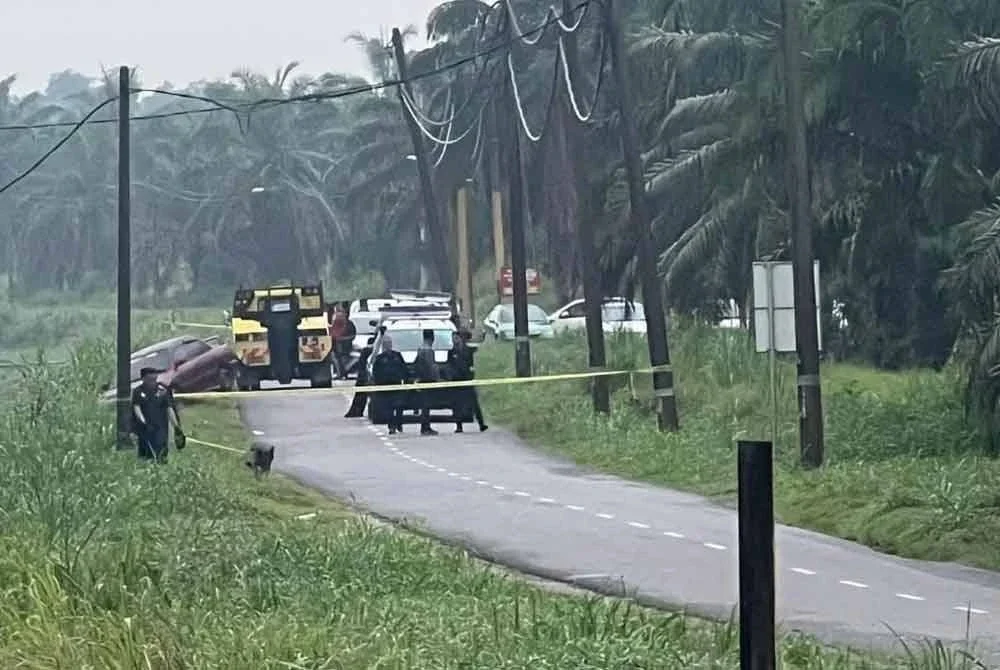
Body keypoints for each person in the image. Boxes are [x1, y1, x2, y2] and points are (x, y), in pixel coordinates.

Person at [131, 367, 185, 464]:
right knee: (146, 455)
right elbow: (137, 407)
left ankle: (161, 465)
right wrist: (143, 422)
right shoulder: (138, 391)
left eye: (154, 378)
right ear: (143, 379)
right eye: (150, 379)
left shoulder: (162, 391)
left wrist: (176, 427)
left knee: (161, 453)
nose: (153, 380)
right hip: (145, 428)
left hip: (160, 428)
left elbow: (169, 409)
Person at [447, 329, 488, 433]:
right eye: (453, 339)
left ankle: (481, 424)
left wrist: (471, 376)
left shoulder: (468, 350)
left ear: (461, 339)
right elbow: (449, 366)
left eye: (456, 338)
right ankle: (459, 426)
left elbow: (471, 365)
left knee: (474, 403)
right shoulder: (451, 352)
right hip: (456, 381)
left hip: (467, 380)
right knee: (456, 405)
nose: (455, 340)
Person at [370, 334, 408, 434]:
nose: (388, 345)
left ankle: (399, 423)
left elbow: (404, 369)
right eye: (386, 344)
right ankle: (391, 426)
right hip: (385, 386)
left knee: (399, 406)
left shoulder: (397, 356)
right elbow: (375, 372)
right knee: (389, 408)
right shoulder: (380, 358)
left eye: (389, 343)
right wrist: (378, 385)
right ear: (383, 346)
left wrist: (406, 381)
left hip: (397, 385)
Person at [413, 329, 440, 436]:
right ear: (432, 338)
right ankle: (425, 427)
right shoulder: (429, 350)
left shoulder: (420, 349)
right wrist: (437, 378)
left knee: (424, 405)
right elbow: (431, 366)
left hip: (421, 379)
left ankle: (425, 426)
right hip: (428, 379)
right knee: (426, 405)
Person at [344, 340, 375, 418]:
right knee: (361, 384)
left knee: (361, 384)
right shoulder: (368, 350)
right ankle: (356, 410)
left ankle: (356, 410)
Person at [328, 307, 357, 379]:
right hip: (337, 344)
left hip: (344, 345)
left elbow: (353, 335)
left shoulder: (349, 324)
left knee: (339, 359)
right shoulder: (336, 322)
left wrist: (343, 339)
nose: (339, 314)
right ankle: (341, 373)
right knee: (336, 358)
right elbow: (332, 333)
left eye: (341, 312)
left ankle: (341, 374)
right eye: (338, 312)